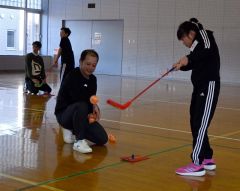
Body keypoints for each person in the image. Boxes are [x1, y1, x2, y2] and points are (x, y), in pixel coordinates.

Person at [173, 18, 220, 176]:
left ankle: (197, 164)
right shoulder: (196, 46)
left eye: (184, 40)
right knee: (195, 121)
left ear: (191, 33)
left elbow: (206, 49)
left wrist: (189, 58)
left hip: (208, 86)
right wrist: (182, 65)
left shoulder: (204, 36)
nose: (184, 43)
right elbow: (196, 61)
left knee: (200, 123)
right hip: (199, 87)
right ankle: (207, 158)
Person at [54, 49, 108, 154]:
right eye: (88, 64)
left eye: (94, 65)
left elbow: (91, 99)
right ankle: (79, 141)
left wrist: (95, 107)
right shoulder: (72, 76)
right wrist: (90, 107)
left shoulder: (93, 80)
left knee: (102, 138)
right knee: (81, 105)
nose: (91, 67)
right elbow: (78, 100)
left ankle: (72, 130)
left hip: (81, 115)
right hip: (65, 115)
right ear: (80, 62)